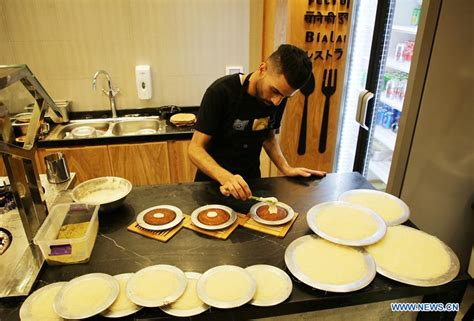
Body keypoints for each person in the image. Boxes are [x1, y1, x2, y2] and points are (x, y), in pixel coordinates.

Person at [188, 44, 326, 200]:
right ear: (262, 69)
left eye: (285, 97)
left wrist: (286, 168)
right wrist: (225, 177)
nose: (276, 102)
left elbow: (268, 136)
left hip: (251, 184)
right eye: (275, 91)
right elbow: (195, 148)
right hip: (212, 184)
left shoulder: (278, 99)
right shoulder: (220, 92)